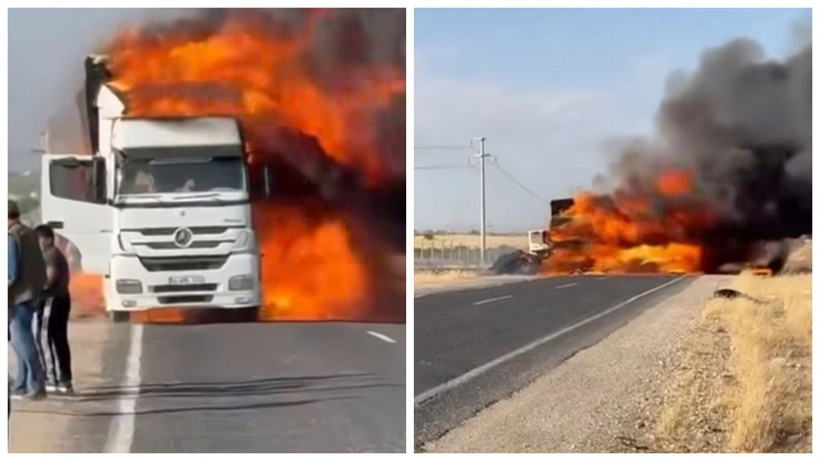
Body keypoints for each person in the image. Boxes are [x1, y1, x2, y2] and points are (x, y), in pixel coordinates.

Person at [8, 201, 47, 400]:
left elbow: (11, 273)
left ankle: (36, 383)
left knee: (22, 341)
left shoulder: (11, 237)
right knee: (19, 341)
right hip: (32, 292)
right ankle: (22, 382)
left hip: (18, 296)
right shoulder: (29, 233)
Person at [33, 224, 73, 394]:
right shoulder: (54, 254)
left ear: (48, 239)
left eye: (38, 240)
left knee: (44, 338)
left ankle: (52, 378)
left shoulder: (50, 256)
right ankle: (64, 379)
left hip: (52, 299)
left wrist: (33, 287)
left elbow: (49, 280)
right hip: (60, 299)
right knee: (59, 339)